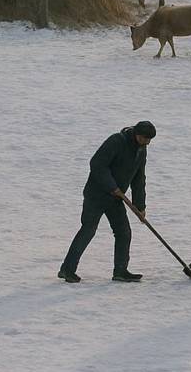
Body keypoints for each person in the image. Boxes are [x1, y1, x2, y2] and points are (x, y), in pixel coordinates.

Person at [58, 121, 155, 284]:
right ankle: (67, 269)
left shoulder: (141, 150)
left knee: (124, 232)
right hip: (96, 195)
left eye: (149, 140)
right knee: (88, 230)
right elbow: (97, 164)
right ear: (137, 134)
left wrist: (140, 206)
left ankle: (121, 271)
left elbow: (139, 179)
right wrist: (112, 186)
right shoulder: (116, 141)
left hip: (115, 199)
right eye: (146, 139)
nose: (148, 143)